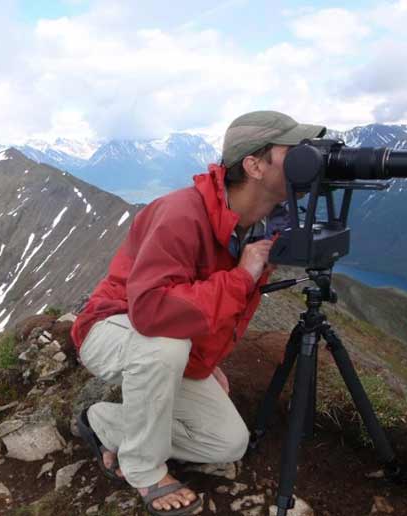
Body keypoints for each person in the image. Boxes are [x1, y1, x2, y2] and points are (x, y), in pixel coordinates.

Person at [70, 111, 326, 515]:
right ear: (255, 165)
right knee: (163, 351)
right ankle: (145, 470)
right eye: (294, 152)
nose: (308, 161)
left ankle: (104, 422)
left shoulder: (261, 226)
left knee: (226, 442)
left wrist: (205, 360)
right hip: (112, 326)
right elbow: (153, 310)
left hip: (165, 337)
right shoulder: (181, 213)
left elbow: (206, 311)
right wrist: (242, 276)